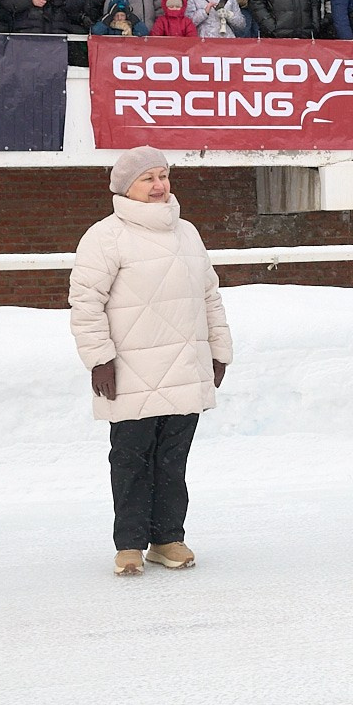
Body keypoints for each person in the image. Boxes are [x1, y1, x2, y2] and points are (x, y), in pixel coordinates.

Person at [68, 147, 233, 578]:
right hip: (131, 370)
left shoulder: (188, 233)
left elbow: (209, 296)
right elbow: (86, 303)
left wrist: (219, 350)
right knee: (131, 458)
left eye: (163, 176)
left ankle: (167, 539)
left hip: (185, 365)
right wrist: (98, 359)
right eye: (148, 179)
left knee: (172, 458)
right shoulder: (105, 236)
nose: (159, 185)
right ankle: (129, 544)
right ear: (126, 187)